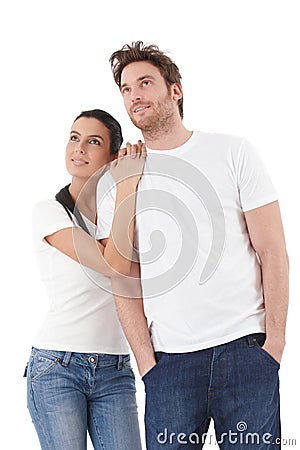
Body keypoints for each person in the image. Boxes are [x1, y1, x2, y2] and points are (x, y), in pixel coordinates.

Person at [96, 42, 289, 449]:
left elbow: (272, 250)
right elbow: (122, 275)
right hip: (170, 366)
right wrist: (147, 363)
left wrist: (274, 344)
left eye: (145, 83)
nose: (135, 95)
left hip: (246, 353)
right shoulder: (120, 178)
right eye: (127, 89)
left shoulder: (233, 151)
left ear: (175, 90)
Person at [25, 109, 146, 450]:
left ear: (111, 158)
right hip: (57, 366)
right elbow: (113, 265)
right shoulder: (48, 212)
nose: (78, 148)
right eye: (74, 137)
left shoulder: (119, 216)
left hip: (115, 368)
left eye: (93, 142)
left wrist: (127, 190)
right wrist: (126, 185)